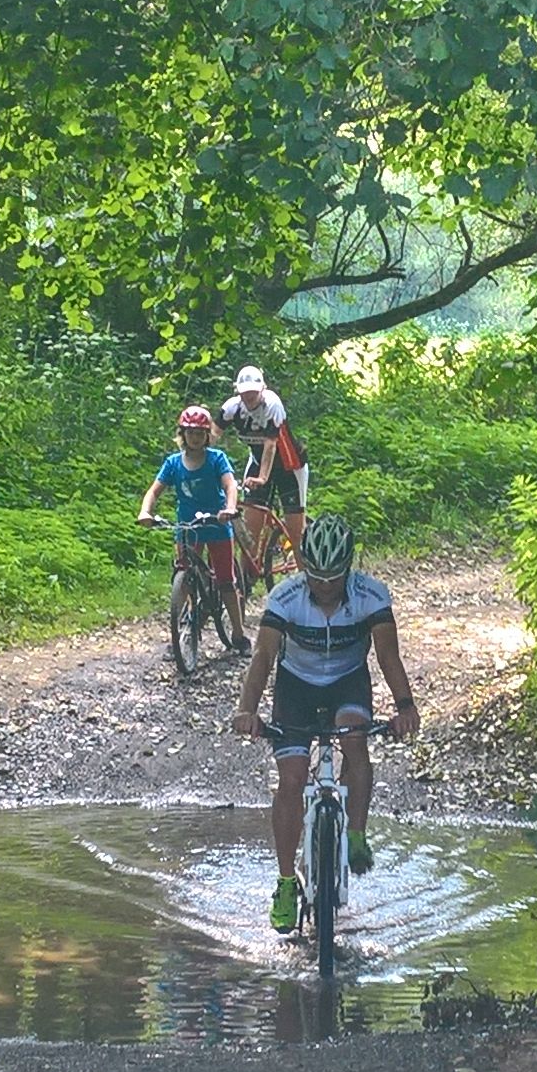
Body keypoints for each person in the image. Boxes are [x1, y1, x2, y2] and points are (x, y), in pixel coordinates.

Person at [231, 513, 421, 933]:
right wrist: (246, 710)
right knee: (292, 780)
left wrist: (405, 705)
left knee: (355, 740)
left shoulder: (372, 596)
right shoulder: (285, 598)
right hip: (296, 687)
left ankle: (355, 834)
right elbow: (263, 658)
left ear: (348, 569)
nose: (324, 585)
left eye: (333, 577)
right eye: (316, 576)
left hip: (347, 683)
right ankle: (284, 882)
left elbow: (388, 655)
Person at [137, 405, 251, 656]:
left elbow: (230, 485)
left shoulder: (216, 459)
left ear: (207, 435)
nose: (195, 438)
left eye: (200, 433)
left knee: (225, 581)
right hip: (187, 526)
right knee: (184, 575)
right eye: (190, 433)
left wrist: (229, 509)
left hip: (215, 523)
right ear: (182, 434)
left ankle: (239, 633)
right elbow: (154, 490)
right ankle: (183, 631)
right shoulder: (173, 463)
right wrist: (145, 512)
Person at [214, 364, 308, 575]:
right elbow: (211, 435)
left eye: (253, 392)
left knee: (295, 533)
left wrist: (263, 478)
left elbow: (270, 445)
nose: (249, 397)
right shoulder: (232, 408)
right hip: (257, 463)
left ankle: (308, 583)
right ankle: (245, 582)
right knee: (250, 531)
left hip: (289, 468)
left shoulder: (272, 404)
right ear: (238, 391)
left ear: (262, 389)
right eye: (244, 392)